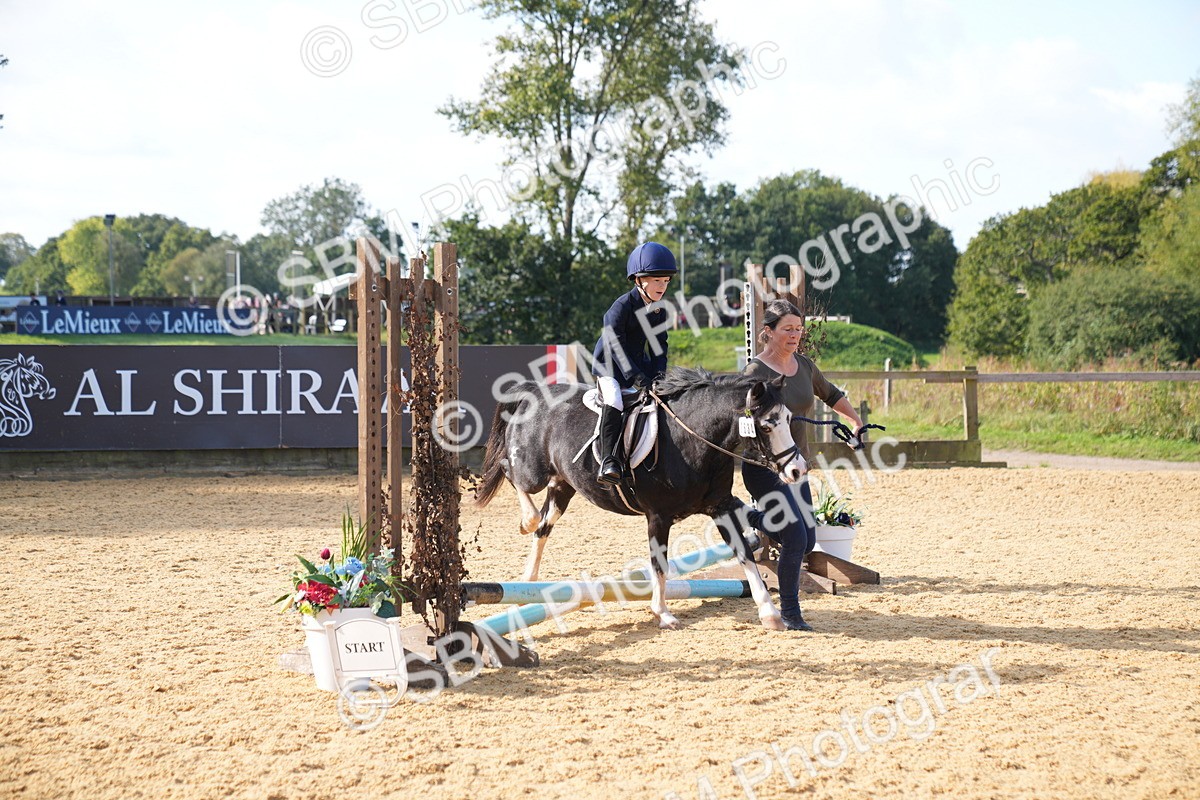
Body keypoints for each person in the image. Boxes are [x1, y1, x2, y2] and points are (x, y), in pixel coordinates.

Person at [743, 299, 865, 632]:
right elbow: (741, 419)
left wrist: (854, 421)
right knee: (795, 537)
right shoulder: (755, 373)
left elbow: (830, 393)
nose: (795, 335)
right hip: (764, 469)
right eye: (788, 329)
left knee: (807, 541)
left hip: (797, 468)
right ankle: (791, 614)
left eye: (799, 329)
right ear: (768, 332)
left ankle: (747, 518)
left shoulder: (805, 366)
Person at [590, 241, 677, 485]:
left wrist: (659, 375)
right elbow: (615, 345)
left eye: (666, 281)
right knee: (615, 399)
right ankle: (609, 461)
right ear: (639, 280)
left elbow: (660, 346)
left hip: (639, 363)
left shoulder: (659, 310)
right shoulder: (621, 307)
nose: (663, 286)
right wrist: (638, 378)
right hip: (610, 366)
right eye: (657, 281)